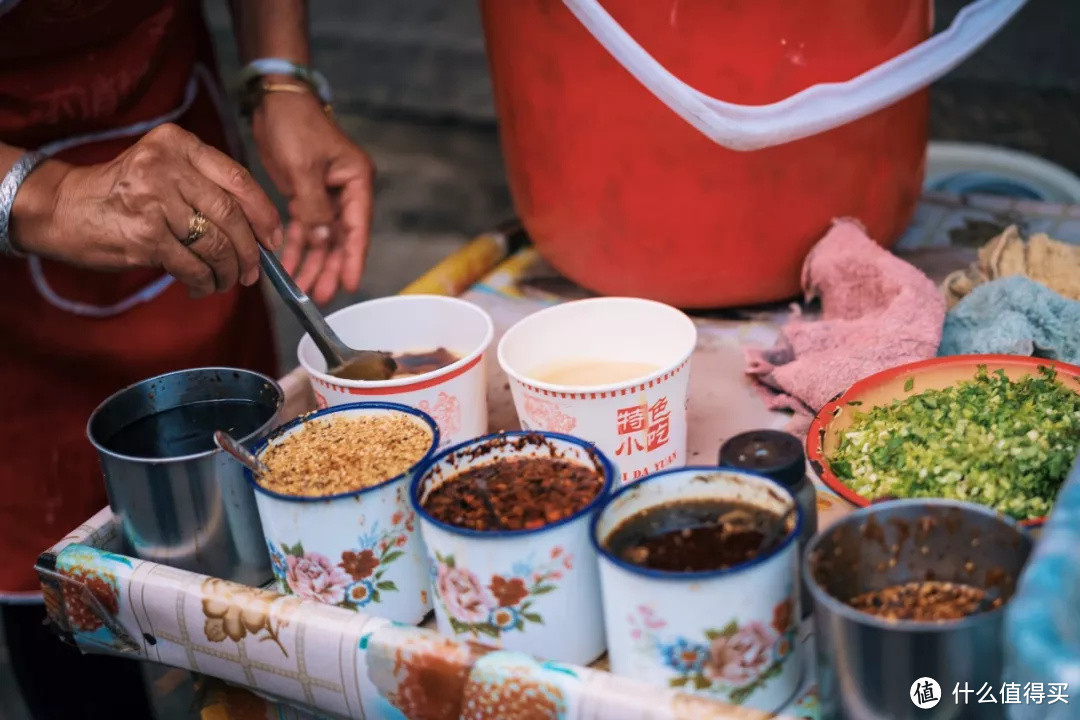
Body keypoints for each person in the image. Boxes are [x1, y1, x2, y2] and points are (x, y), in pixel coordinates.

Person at [0, 1, 373, 716]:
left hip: (174, 121)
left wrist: (280, 75)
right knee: (57, 588)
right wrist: (44, 196)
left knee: (246, 554)